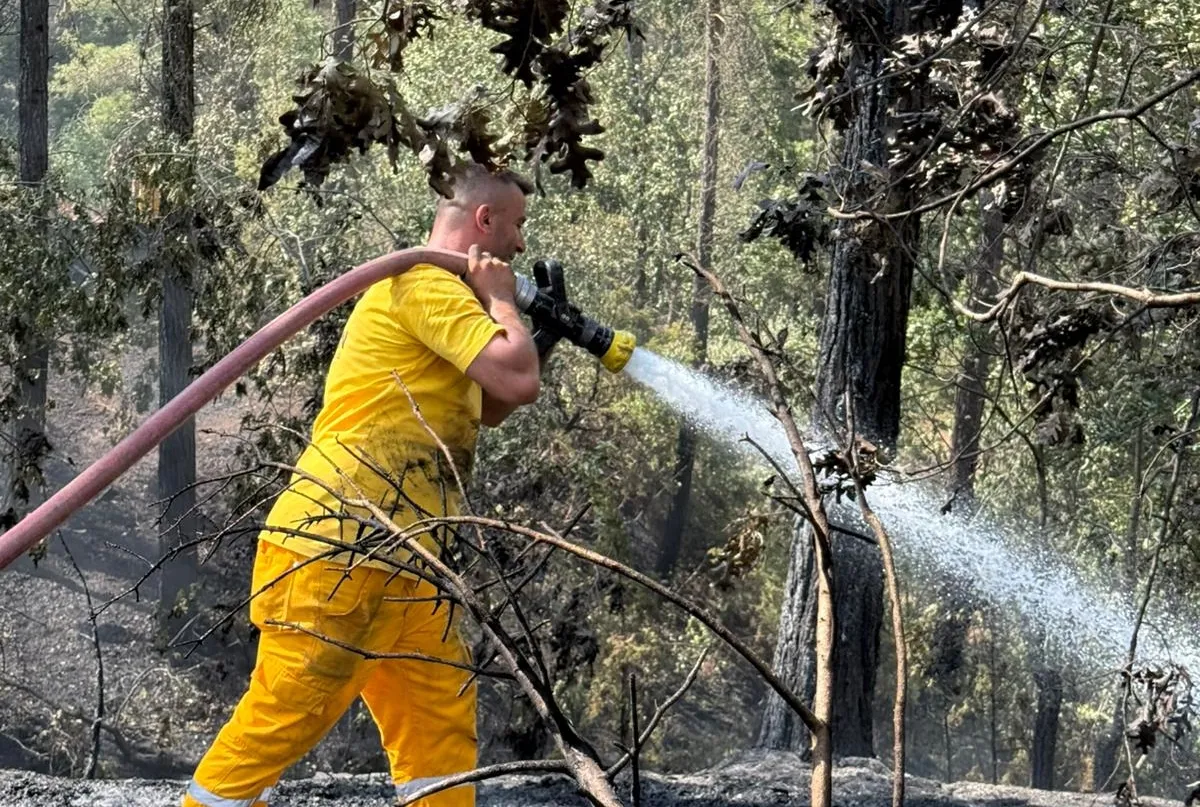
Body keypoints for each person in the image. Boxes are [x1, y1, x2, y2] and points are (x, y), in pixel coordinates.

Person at [182, 164, 542, 807]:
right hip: (340, 543)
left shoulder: (452, 301)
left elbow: (491, 402)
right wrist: (505, 301)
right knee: (288, 713)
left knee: (439, 730)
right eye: (515, 228)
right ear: (484, 222)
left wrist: (530, 334)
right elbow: (518, 380)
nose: (519, 245)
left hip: (410, 556)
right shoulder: (424, 284)